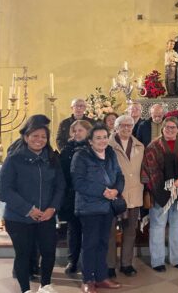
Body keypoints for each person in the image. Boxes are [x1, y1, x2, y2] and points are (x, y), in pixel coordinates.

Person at [0, 117, 65, 293]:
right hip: (19, 218)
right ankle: (26, 289)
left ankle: (45, 286)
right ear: (26, 137)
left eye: (43, 136)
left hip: (47, 216)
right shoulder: (14, 159)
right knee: (24, 255)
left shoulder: (52, 159)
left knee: (49, 252)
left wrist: (52, 208)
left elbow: (60, 186)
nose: (39, 140)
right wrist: (29, 209)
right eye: (35, 136)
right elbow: (5, 191)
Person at [141, 116, 178, 272]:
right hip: (159, 191)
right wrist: (162, 187)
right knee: (157, 226)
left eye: (173, 127)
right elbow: (149, 169)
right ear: (162, 128)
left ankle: (176, 258)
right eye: (167, 127)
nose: (170, 130)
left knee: (177, 225)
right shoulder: (153, 146)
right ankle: (157, 261)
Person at [72, 124, 124, 292]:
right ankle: (87, 279)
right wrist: (103, 192)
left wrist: (116, 189)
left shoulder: (111, 153)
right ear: (90, 141)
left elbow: (119, 175)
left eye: (104, 137)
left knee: (103, 243)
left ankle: (101, 277)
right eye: (98, 138)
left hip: (108, 207)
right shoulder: (81, 156)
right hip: (89, 207)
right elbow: (78, 182)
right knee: (90, 244)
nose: (102, 141)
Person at [106, 115, 144, 278]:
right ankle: (109, 265)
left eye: (130, 125)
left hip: (134, 193)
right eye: (123, 125)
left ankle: (126, 264)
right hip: (114, 194)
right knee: (110, 232)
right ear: (116, 127)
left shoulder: (139, 145)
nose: (127, 128)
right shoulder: (107, 146)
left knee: (130, 231)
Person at [59, 120, 92, 276]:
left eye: (80, 130)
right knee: (73, 229)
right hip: (72, 195)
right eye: (75, 131)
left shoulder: (94, 147)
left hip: (90, 195)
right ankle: (72, 260)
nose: (77, 133)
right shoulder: (67, 149)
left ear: (87, 132)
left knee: (89, 229)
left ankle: (88, 262)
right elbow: (61, 172)